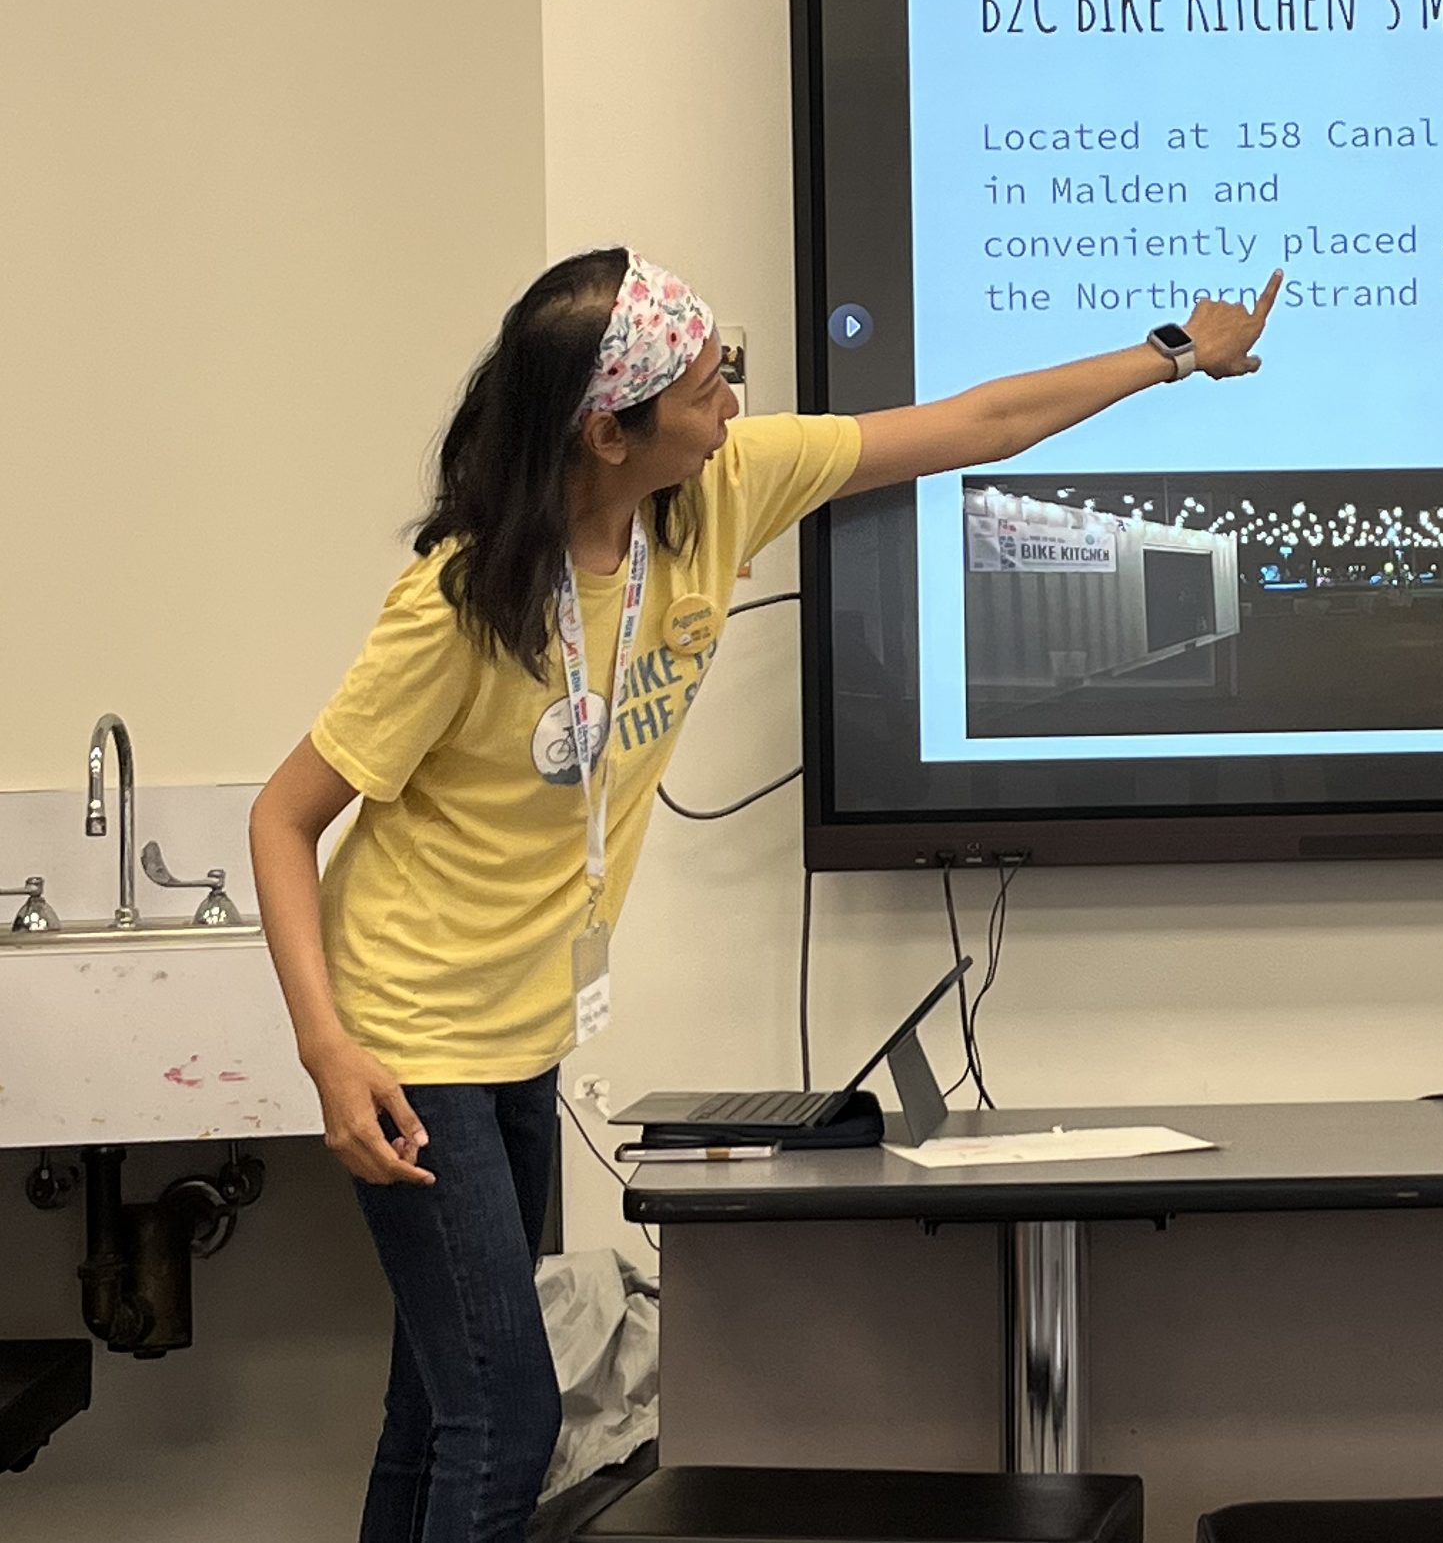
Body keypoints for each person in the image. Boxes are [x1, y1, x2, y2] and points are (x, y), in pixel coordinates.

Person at [248, 251, 1281, 1543]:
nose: (730, 399)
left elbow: (978, 421)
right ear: (609, 429)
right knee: (505, 1416)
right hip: (412, 1036)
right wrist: (329, 1049)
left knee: (441, 1402)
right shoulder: (463, 604)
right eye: (702, 385)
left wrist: (1177, 352)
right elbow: (283, 818)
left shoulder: (715, 491)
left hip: (519, 1032)